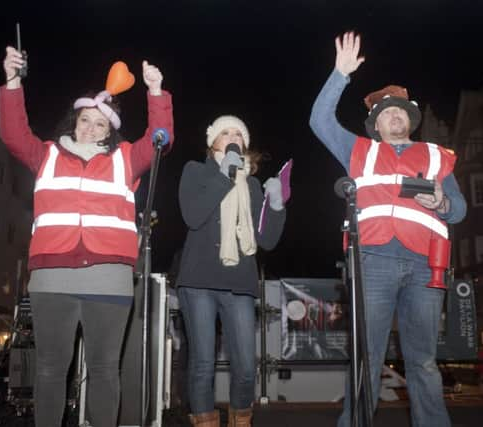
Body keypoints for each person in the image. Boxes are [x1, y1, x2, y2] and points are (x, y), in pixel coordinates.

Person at [0, 46, 173, 427]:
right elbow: (13, 134)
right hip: (51, 277)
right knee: (48, 370)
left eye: (100, 124)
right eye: (85, 120)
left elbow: (160, 140)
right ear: (73, 121)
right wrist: (13, 81)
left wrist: (156, 93)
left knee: (105, 370)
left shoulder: (125, 158)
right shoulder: (44, 154)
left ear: (110, 131)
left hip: (109, 280)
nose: (91, 128)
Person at [309, 32, 467, 427]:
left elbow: (460, 210)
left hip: (424, 268)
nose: (394, 115)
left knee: (424, 361)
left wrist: (443, 203)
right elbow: (318, 120)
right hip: (372, 261)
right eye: (386, 111)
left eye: (400, 111)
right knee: (366, 356)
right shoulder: (356, 149)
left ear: (410, 120)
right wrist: (339, 75)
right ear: (375, 123)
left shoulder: (436, 156)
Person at [176, 115, 287, 427]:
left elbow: (267, 239)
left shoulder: (251, 184)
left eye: (238, 132)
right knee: (202, 365)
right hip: (198, 281)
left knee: (244, 368)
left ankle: (241, 420)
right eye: (224, 132)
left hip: (239, 282)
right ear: (213, 142)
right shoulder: (195, 171)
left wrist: (276, 206)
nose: (232, 135)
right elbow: (194, 216)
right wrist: (224, 177)